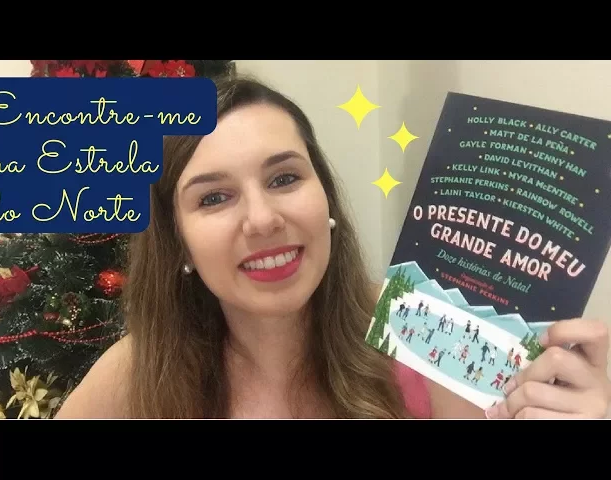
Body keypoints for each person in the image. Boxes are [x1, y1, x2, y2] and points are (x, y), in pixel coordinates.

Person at [54, 74, 611, 419]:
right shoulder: (138, 376)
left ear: (325, 199)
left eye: (283, 178)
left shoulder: (421, 335)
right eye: (214, 197)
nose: (263, 219)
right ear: (177, 241)